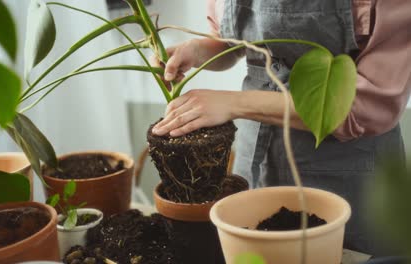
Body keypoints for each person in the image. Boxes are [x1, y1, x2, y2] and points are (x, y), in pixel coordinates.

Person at [151, 0, 411, 256]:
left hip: (344, 170)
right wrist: (201, 49)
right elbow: (239, 39)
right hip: (254, 156)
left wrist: (234, 103)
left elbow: (368, 105)